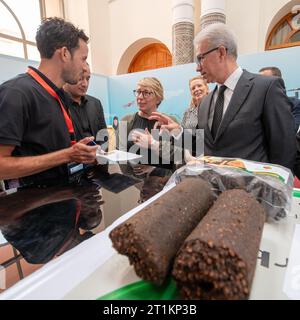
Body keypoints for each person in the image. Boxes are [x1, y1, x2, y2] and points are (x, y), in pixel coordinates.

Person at [150, 23, 296, 171]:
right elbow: (205, 145)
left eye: (200, 58)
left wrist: (273, 190)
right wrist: (178, 131)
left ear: (221, 52)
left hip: (252, 192)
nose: (197, 67)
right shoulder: (205, 103)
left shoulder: (266, 88)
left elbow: (284, 149)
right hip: (212, 188)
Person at [0, 18, 98, 189]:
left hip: (63, 202)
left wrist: (77, 152)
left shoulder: (59, 95)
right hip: (32, 211)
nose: (84, 68)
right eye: (83, 59)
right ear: (65, 53)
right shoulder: (16, 93)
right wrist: (67, 155)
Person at [119, 77, 178, 178]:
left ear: (158, 98)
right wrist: (132, 179)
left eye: (146, 92)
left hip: (162, 183)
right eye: (138, 92)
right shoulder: (126, 120)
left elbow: (178, 155)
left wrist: (155, 168)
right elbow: (120, 155)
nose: (140, 97)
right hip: (133, 184)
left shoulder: (170, 122)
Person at [63, 63, 108, 148]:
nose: (85, 84)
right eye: (80, 78)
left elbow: (104, 136)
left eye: (88, 79)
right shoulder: (57, 104)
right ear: (67, 77)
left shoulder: (95, 103)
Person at [259, 66, 300, 132]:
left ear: (277, 81)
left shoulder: (295, 103)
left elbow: (292, 129)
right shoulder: (257, 105)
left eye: (264, 80)